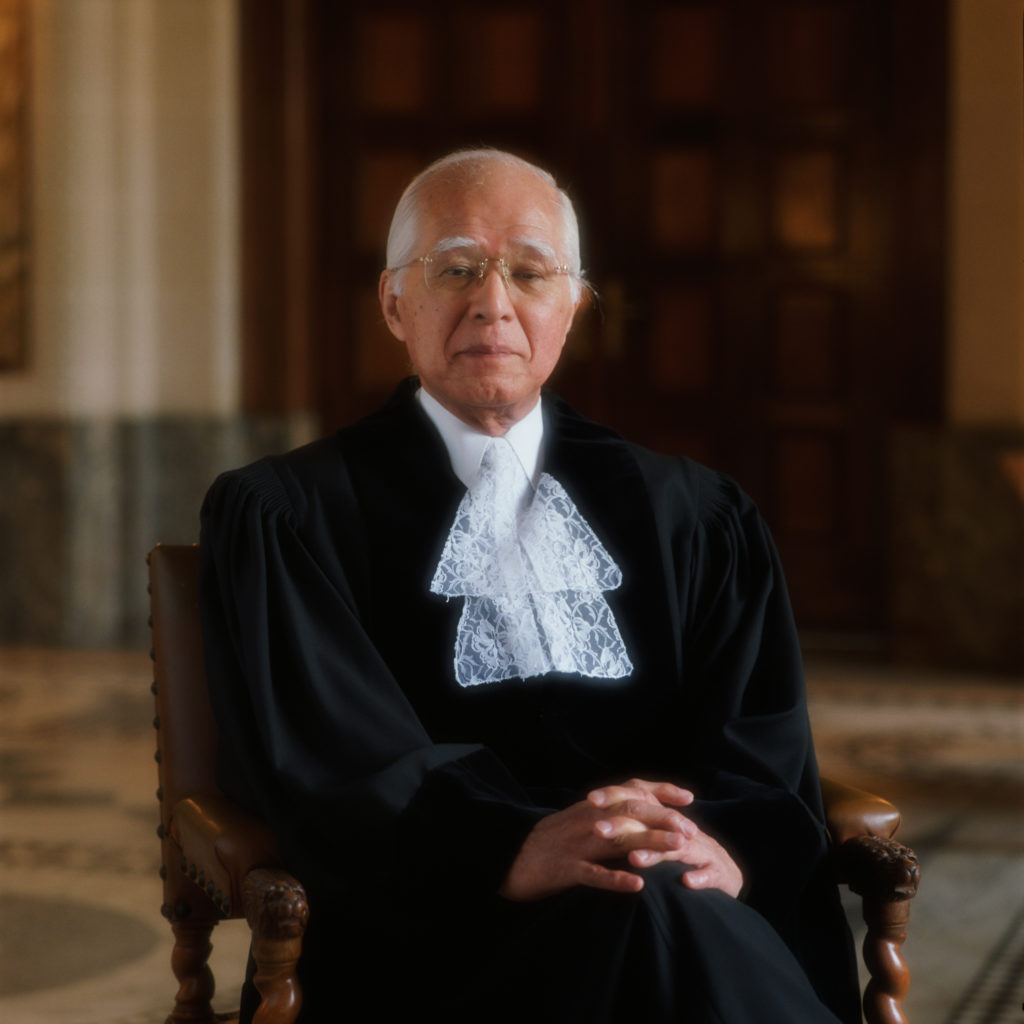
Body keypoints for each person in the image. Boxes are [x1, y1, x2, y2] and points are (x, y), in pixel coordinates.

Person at [200, 149, 861, 1023]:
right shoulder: (291, 516)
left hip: (682, 891)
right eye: (458, 267)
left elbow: (758, 740)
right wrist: (512, 844)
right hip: (442, 926)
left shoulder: (695, 514)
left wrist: (711, 844)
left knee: (656, 900)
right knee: (651, 916)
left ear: (574, 307)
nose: (493, 303)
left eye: (530, 271)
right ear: (394, 302)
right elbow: (334, 759)